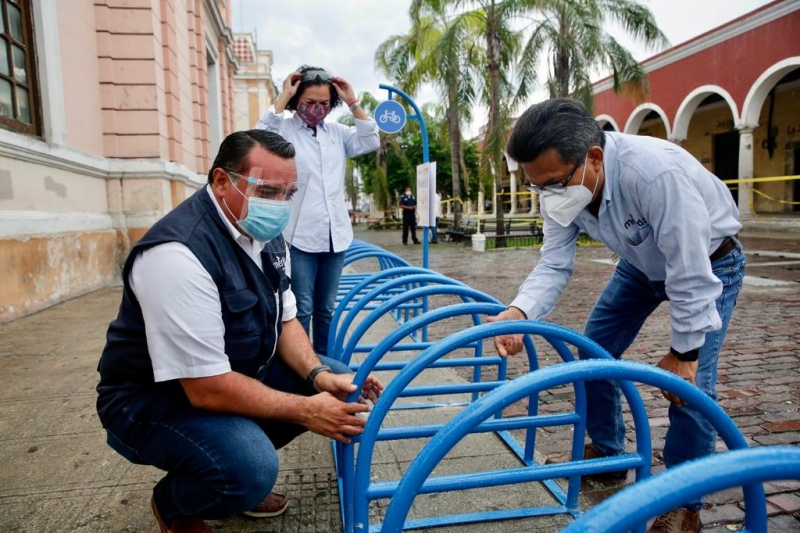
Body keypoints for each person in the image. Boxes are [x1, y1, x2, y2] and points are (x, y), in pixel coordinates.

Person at [96, 130, 383, 533]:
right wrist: (305, 410)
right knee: (252, 466)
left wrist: (318, 376)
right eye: (267, 190)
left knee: (333, 379)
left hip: (228, 373)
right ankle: (181, 501)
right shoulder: (177, 255)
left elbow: (286, 320)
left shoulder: (264, 232)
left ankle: (231, 469)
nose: (280, 205)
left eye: (289, 193)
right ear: (220, 180)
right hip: (152, 401)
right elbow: (205, 388)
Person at [489, 98, 745, 533]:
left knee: (691, 387)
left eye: (554, 183)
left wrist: (684, 351)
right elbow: (553, 263)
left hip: (709, 262)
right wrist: (518, 309)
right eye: (538, 187)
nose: (548, 195)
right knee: (593, 354)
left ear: (593, 157)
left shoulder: (655, 173)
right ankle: (608, 453)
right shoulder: (564, 186)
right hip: (639, 267)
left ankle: (686, 503)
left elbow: (689, 270)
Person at [254, 65, 379, 356]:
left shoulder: (337, 133)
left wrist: (353, 102)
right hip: (299, 235)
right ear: (298, 100)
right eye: (310, 102)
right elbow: (259, 136)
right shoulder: (284, 130)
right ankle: (303, 367)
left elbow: (370, 139)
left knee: (327, 308)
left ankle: (325, 363)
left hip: (335, 234)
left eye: (324, 103)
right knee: (302, 307)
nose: (317, 109)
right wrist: (283, 96)